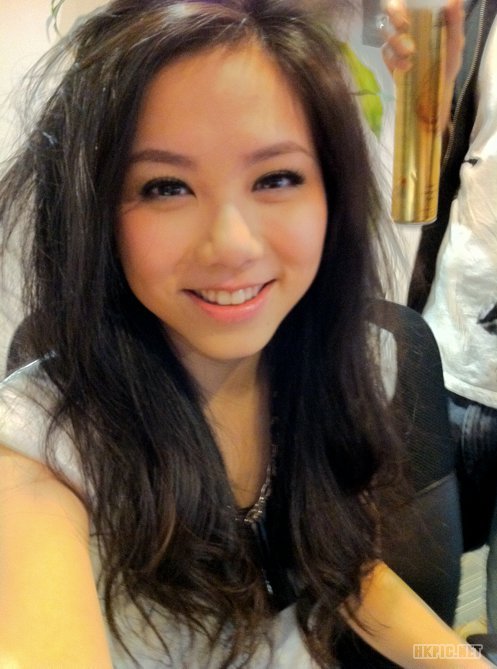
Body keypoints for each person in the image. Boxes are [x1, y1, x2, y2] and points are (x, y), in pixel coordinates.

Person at [0, 0, 493, 667]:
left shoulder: (337, 367)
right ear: (94, 212)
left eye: (277, 178)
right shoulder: (41, 454)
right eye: (165, 187)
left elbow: (345, 572)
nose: (232, 245)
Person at [391, 0, 497, 634]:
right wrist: (421, 104)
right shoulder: (475, 14)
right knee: (405, 601)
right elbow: (428, 176)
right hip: (443, 358)